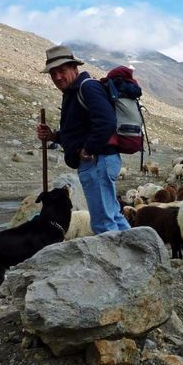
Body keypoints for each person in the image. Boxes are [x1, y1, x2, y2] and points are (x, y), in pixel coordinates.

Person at [36, 45, 130, 234]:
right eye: (53, 73)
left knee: (103, 223)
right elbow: (77, 133)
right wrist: (54, 136)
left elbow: (106, 122)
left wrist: (88, 149)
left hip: (97, 161)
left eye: (62, 71)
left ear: (74, 68)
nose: (57, 77)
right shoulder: (73, 92)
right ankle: (141, 255)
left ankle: (114, 263)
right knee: (113, 216)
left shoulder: (87, 87)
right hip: (98, 161)